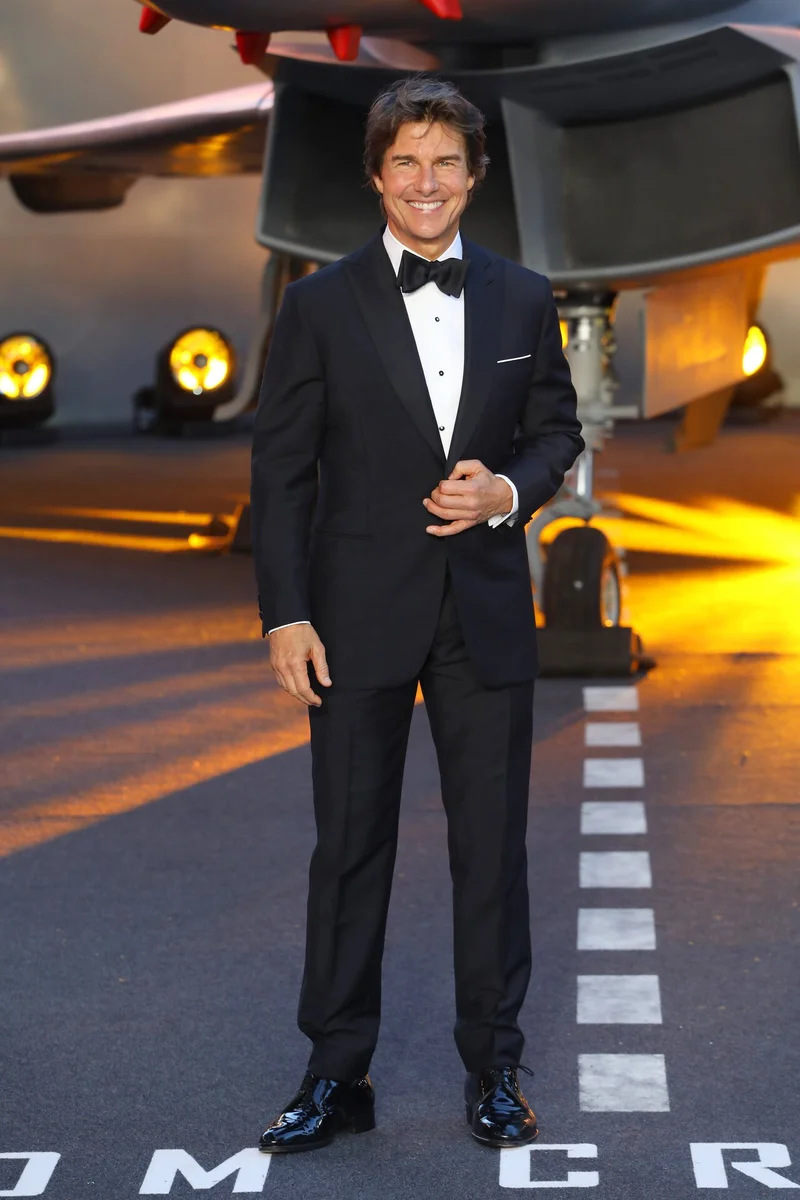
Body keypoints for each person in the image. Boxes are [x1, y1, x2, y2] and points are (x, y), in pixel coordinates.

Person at [250, 75, 583, 1154]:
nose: (425, 182)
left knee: (490, 854)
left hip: (482, 612)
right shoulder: (317, 305)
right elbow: (281, 475)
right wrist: (286, 616)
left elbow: (556, 431)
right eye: (406, 162)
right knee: (349, 850)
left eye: (446, 162)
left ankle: (494, 1067)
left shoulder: (523, 297)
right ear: (376, 175)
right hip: (352, 620)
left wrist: (509, 490)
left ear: (474, 176)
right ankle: (334, 1073)